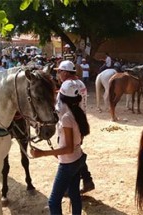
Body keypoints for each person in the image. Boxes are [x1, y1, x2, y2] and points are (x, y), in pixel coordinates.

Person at [30, 80, 90, 215]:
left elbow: (68, 148)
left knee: (53, 201)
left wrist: (42, 153)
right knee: (74, 194)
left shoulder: (67, 118)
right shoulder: (78, 112)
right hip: (78, 158)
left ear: (61, 97)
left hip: (68, 163)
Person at [55, 60, 95, 193]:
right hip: (80, 122)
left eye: (60, 71)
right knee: (77, 151)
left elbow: (59, 109)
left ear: (65, 72)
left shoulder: (66, 86)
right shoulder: (80, 83)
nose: (58, 74)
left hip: (68, 124)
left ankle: (71, 186)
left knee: (69, 155)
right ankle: (87, 179)